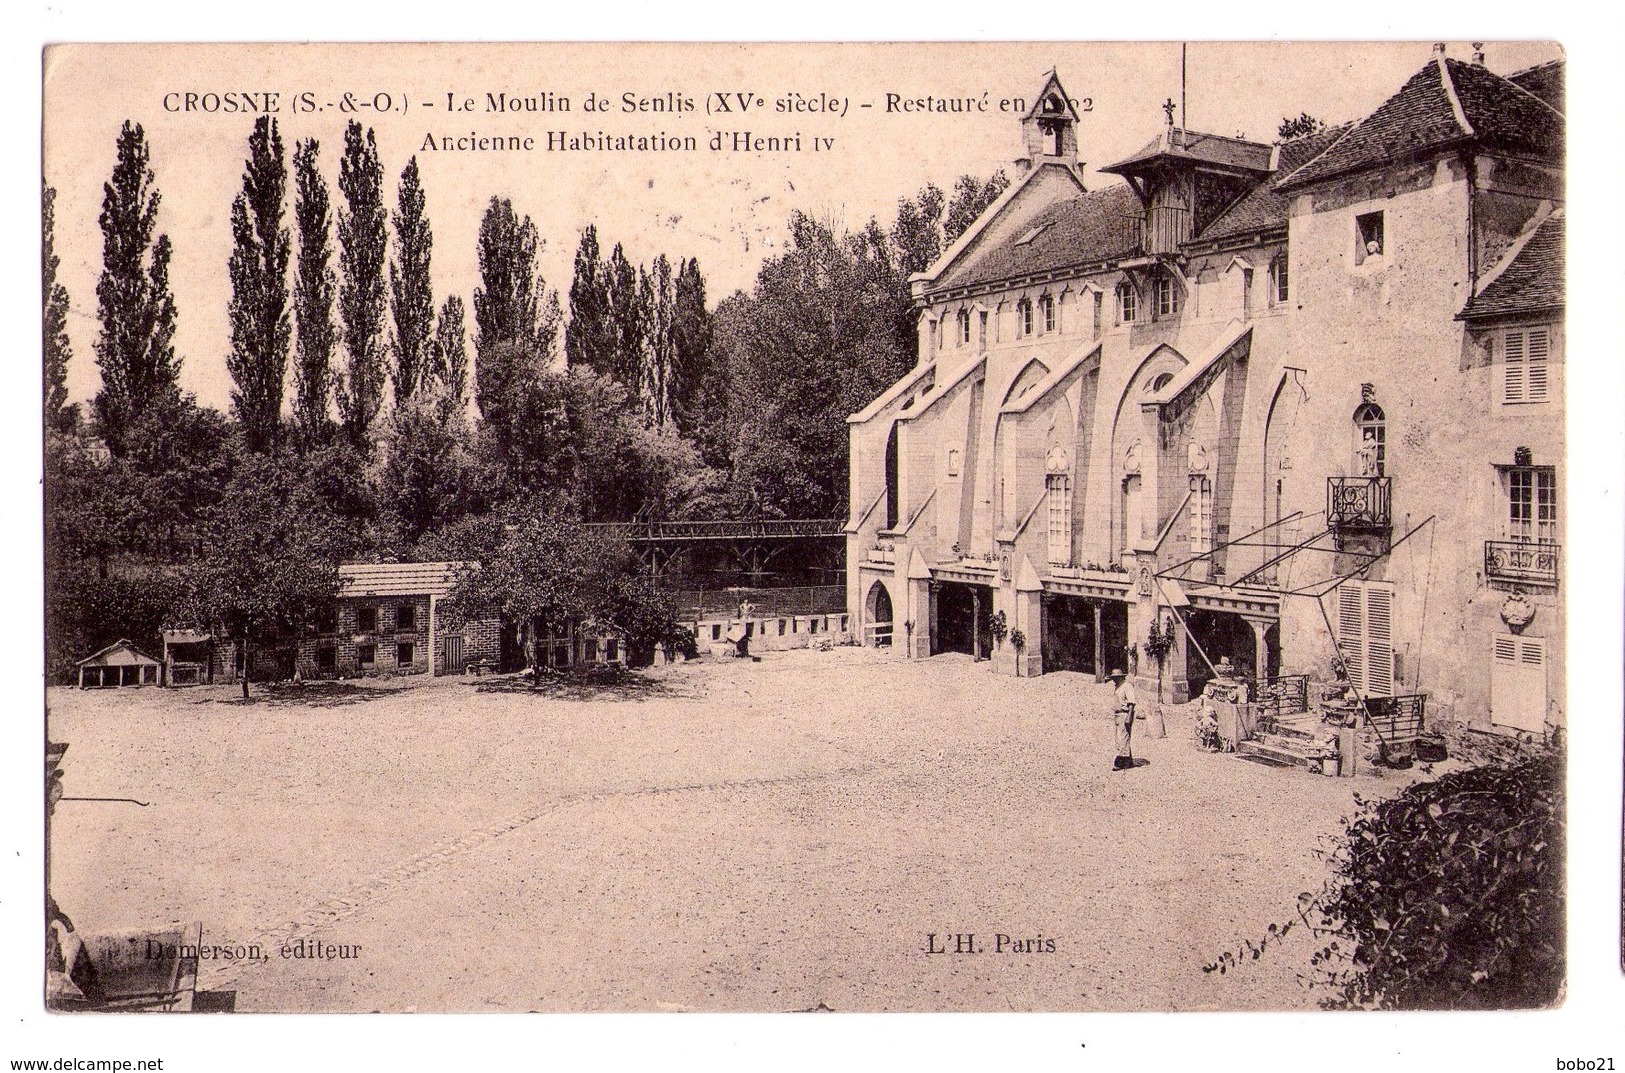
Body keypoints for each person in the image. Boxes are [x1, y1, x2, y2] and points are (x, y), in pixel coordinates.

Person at [1111, 670, 1138, 771]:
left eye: (1116, 677)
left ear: (1121, 677)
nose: (1114, 679)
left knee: (1122, 738)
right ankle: (1129, 760)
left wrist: (1129, 716)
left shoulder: (1127, 686)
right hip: (1118, 715)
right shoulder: (1118, 686)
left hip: (1125, 714)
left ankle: (1119, 762)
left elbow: (1131, 702)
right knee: (1121, 737)